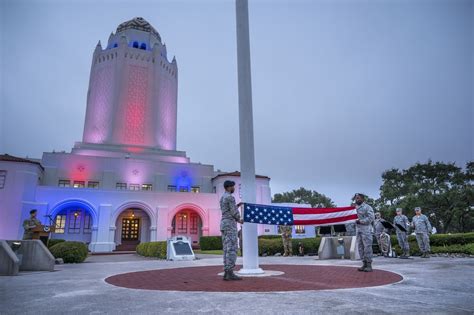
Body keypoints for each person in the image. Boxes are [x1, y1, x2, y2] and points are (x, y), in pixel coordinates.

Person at [220, 180, 243, 280]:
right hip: (230, 225)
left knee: (226, 249)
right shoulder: (230, 197)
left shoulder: (222, 197)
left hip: (224, 224)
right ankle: (230, 272)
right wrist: (239, 219)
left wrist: (237, 205)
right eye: (233, 186)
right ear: (229, 187)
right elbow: (234, 212)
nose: (234, 188)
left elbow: (227, 209)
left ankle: (226, 271)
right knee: (232, 248)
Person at [354, 193, 375, 272]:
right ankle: (364, 263)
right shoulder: (354, 208)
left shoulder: (367, 207)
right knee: (360, 247)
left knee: (367, 247)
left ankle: (369, 264)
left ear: (363, 199)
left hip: (366, 229)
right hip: (358, 230)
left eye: (358, 198)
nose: (357, 199)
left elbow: (371, 218)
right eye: (356, 198)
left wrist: (361, 221)